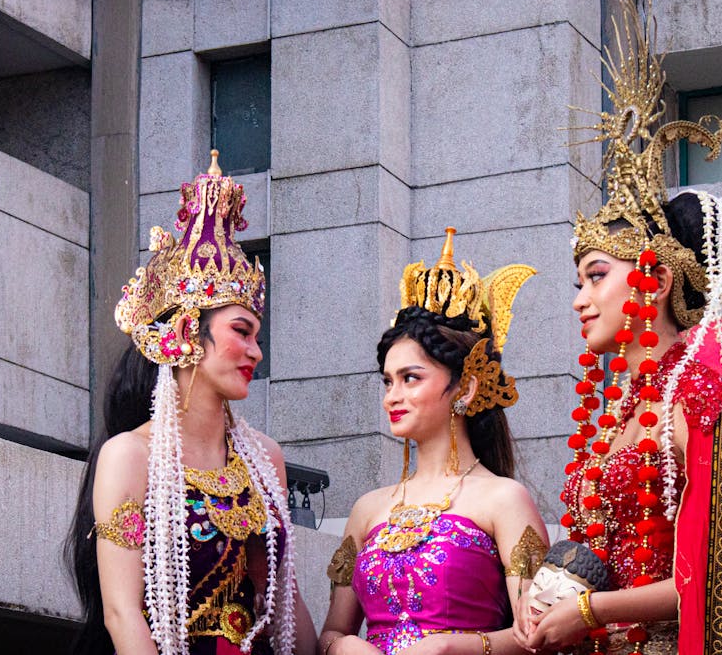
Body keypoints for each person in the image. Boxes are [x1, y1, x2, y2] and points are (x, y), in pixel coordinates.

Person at [515, 2, 722, 655]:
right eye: (579, 282)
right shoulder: (619, 412)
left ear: (654, 279)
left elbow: (718, 574)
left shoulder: (697, 400)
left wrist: (587, 607)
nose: (581, 299)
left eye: (594, 275)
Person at [65, 151, 316, 655]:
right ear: (187, 335)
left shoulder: (265, 460)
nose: (255, 352)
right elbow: (122, 614)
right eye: (240, 332)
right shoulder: (129, 457)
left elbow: (283, 599)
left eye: (257, 335)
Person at [319, 229, 551, 655]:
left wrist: (450, 648)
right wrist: (344, 647)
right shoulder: (367, 510)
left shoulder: (503, 499)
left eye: (411, 378)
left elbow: (537, 635)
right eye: (388, 381)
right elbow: (332, 630)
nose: (392, 396)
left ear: (464, 389)